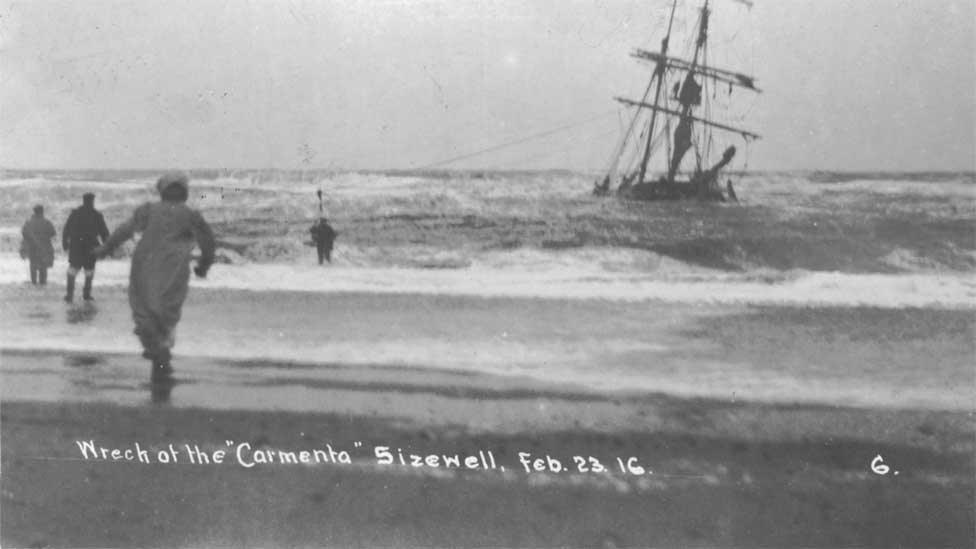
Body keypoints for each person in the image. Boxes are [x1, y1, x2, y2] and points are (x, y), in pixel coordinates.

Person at [93, 172, 215, 381]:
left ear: (162, 191)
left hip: (146, 265)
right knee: (167, 308)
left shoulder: (149, 210)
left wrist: (106, 248)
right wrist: (204, 264)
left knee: (144, 308)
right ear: (185, 193)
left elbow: (125, 230)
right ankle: (162, 348)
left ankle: (156, 347)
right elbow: (208, 241)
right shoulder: (190, 215)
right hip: (174, 268)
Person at [63, 192, 110, 302]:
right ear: (92, 201)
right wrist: (107, 247)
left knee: (73, 270)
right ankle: (86, 294)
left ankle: (69, 295)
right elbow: (104, 232)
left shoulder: (75, 213)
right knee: (89, 271)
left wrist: (65, 243)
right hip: (90, 246)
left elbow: (66, 229)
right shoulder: (96, 215)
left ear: (83, 201)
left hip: (76, 246)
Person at [20, 205, 56, 285]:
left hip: (32, 247)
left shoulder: (29, 222)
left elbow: (24, 233)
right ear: (42, 211)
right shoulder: (47, 222)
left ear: (34, 212)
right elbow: (53, 233)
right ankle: (42, 283)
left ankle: (34, 282)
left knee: (33, 264)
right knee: (43, 266)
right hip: (44, 247)